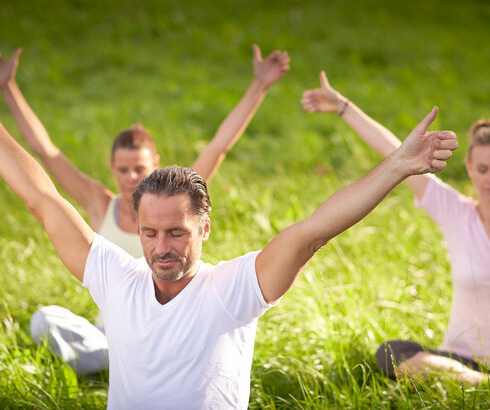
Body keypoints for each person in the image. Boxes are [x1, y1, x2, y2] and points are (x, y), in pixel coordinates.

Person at [0, 103, 457, 408]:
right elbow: (42, 199)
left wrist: (397, 165)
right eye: (149, 233)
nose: (162, 248)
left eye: (177, 232)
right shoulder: (116, 278)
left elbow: (314, 231)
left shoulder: (231, 289)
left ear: (205, 227)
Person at [0, 45, 290, 375]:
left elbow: (219, 144)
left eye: (139, 168)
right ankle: (112, 359)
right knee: (45, 319)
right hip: (110, 331)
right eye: (122, 170)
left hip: (168, 327)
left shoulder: (181, 197)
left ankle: (112, 363)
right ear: (111, 168)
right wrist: (8, 88)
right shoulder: (100, 203)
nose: (131, 178)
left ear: (156, 163)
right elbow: (45, 154)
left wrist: (260, 85)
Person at [302, 71, 489, 385]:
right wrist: (344, 107)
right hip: (456, 360)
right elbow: (396, 152)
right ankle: (479, 384)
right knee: (391, 353)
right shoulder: (456, 212)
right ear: (469, 169)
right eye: (483, 169)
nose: (489, 178)